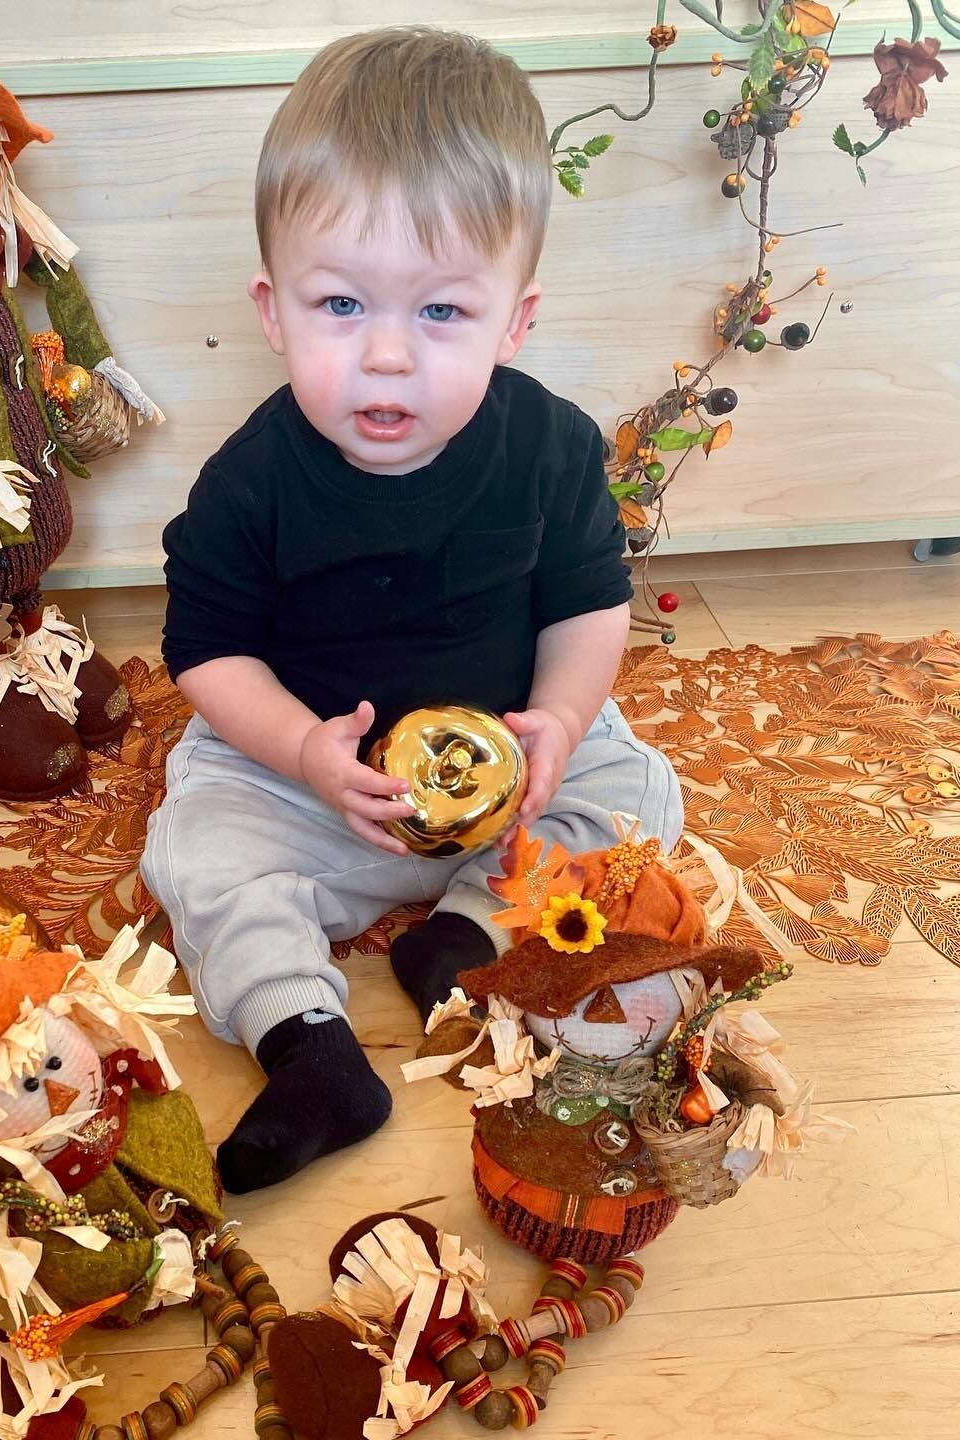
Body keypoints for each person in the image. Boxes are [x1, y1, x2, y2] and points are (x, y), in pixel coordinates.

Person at [140, 27, 684, 1194]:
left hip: (506, 780)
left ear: (513, 322)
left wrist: (559, 721)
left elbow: (590, 607)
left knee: (637, 790)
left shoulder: (550, 446)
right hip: (312, 779)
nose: (387, 356)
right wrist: (303, 752)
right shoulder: (250, 481)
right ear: (274, 310)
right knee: (196, 846)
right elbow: (208, 652)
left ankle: (468, 933)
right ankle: (310, 1047)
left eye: (441, 314)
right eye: (341, 304)